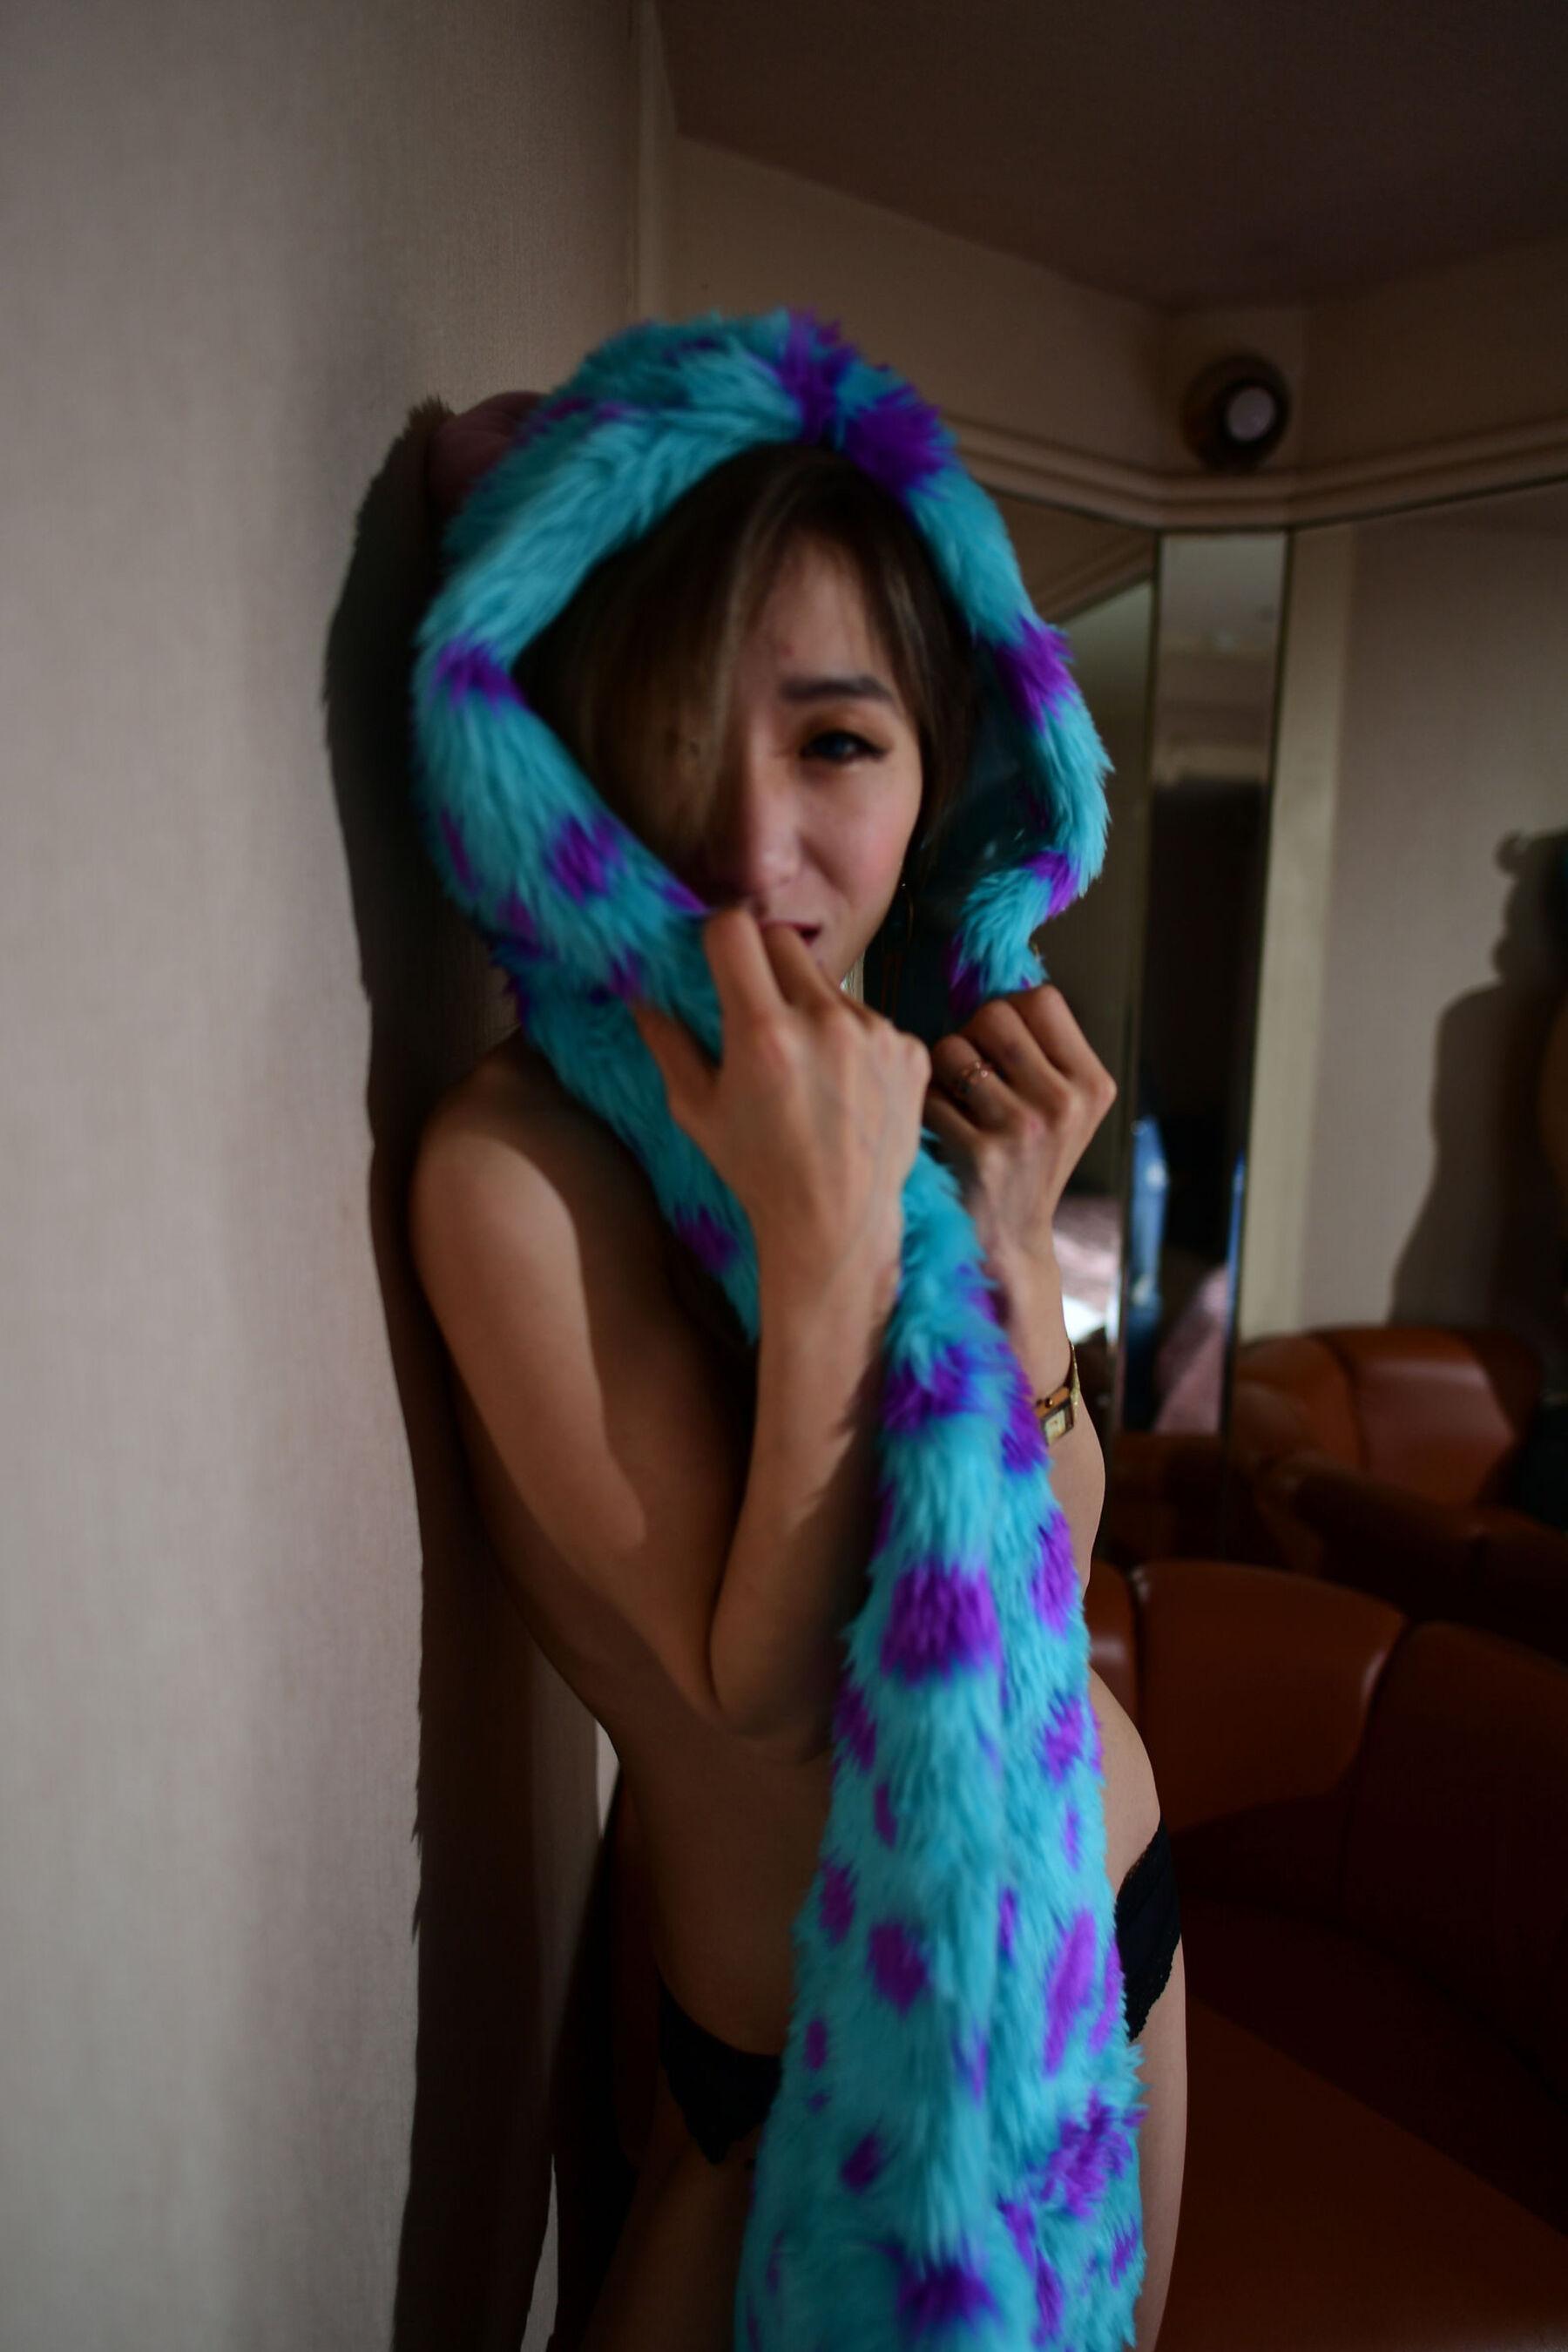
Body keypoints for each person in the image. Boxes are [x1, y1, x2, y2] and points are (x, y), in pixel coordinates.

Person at [408, 379, 1186, 2351]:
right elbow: (763, 1705)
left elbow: (1054, 1542)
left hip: (1101, 1941)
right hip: (801, 2081)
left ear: (939, 774)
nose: (757, 848)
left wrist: (1008, 1245)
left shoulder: (893, 1096)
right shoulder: (520, 1167)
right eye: (673, 742)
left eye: (837, 740)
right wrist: (825, 1247)